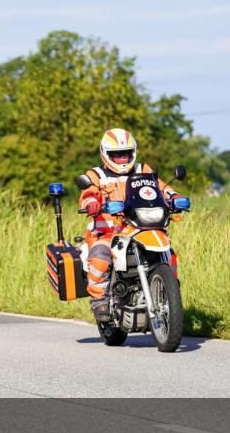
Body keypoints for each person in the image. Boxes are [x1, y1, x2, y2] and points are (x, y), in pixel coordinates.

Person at [78, 129, 183, 321]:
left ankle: (168, 294)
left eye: (125, 153)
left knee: (170, 254)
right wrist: (91, 204)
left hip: (141, 227)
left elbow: (160, 187)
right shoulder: (95, 175)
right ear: (105, 153)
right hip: (108, 232)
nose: (121, 158)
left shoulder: (143, 170)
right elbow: (88, 194)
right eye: (116, 154)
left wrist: (174, 196)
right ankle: (99, 300)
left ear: (132, 152)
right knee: (100, 255)